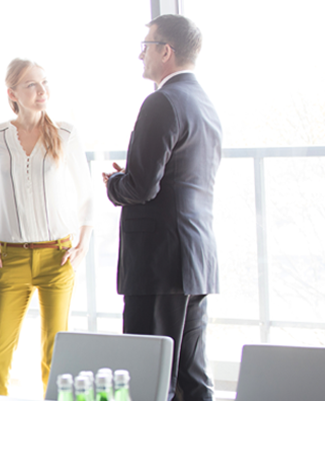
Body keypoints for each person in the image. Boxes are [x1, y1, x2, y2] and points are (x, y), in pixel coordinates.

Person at [103, 14, 221, 401]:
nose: (141, 56)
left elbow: (140, 187)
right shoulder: (204, 103)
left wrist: (115, 184)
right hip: (194, 259)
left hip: (158, 262)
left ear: (166, 51)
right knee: (190, 375)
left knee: (148, 377)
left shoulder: (162, 100)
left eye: (147, 46)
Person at [0, 59, 94, 396]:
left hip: (57, 257)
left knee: (54, 352)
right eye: (31, 84)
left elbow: (87, 195)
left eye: (44, 83)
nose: (41, 90)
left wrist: (82, 247)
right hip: (11, 258)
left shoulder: (65, 133)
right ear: (12, 92)